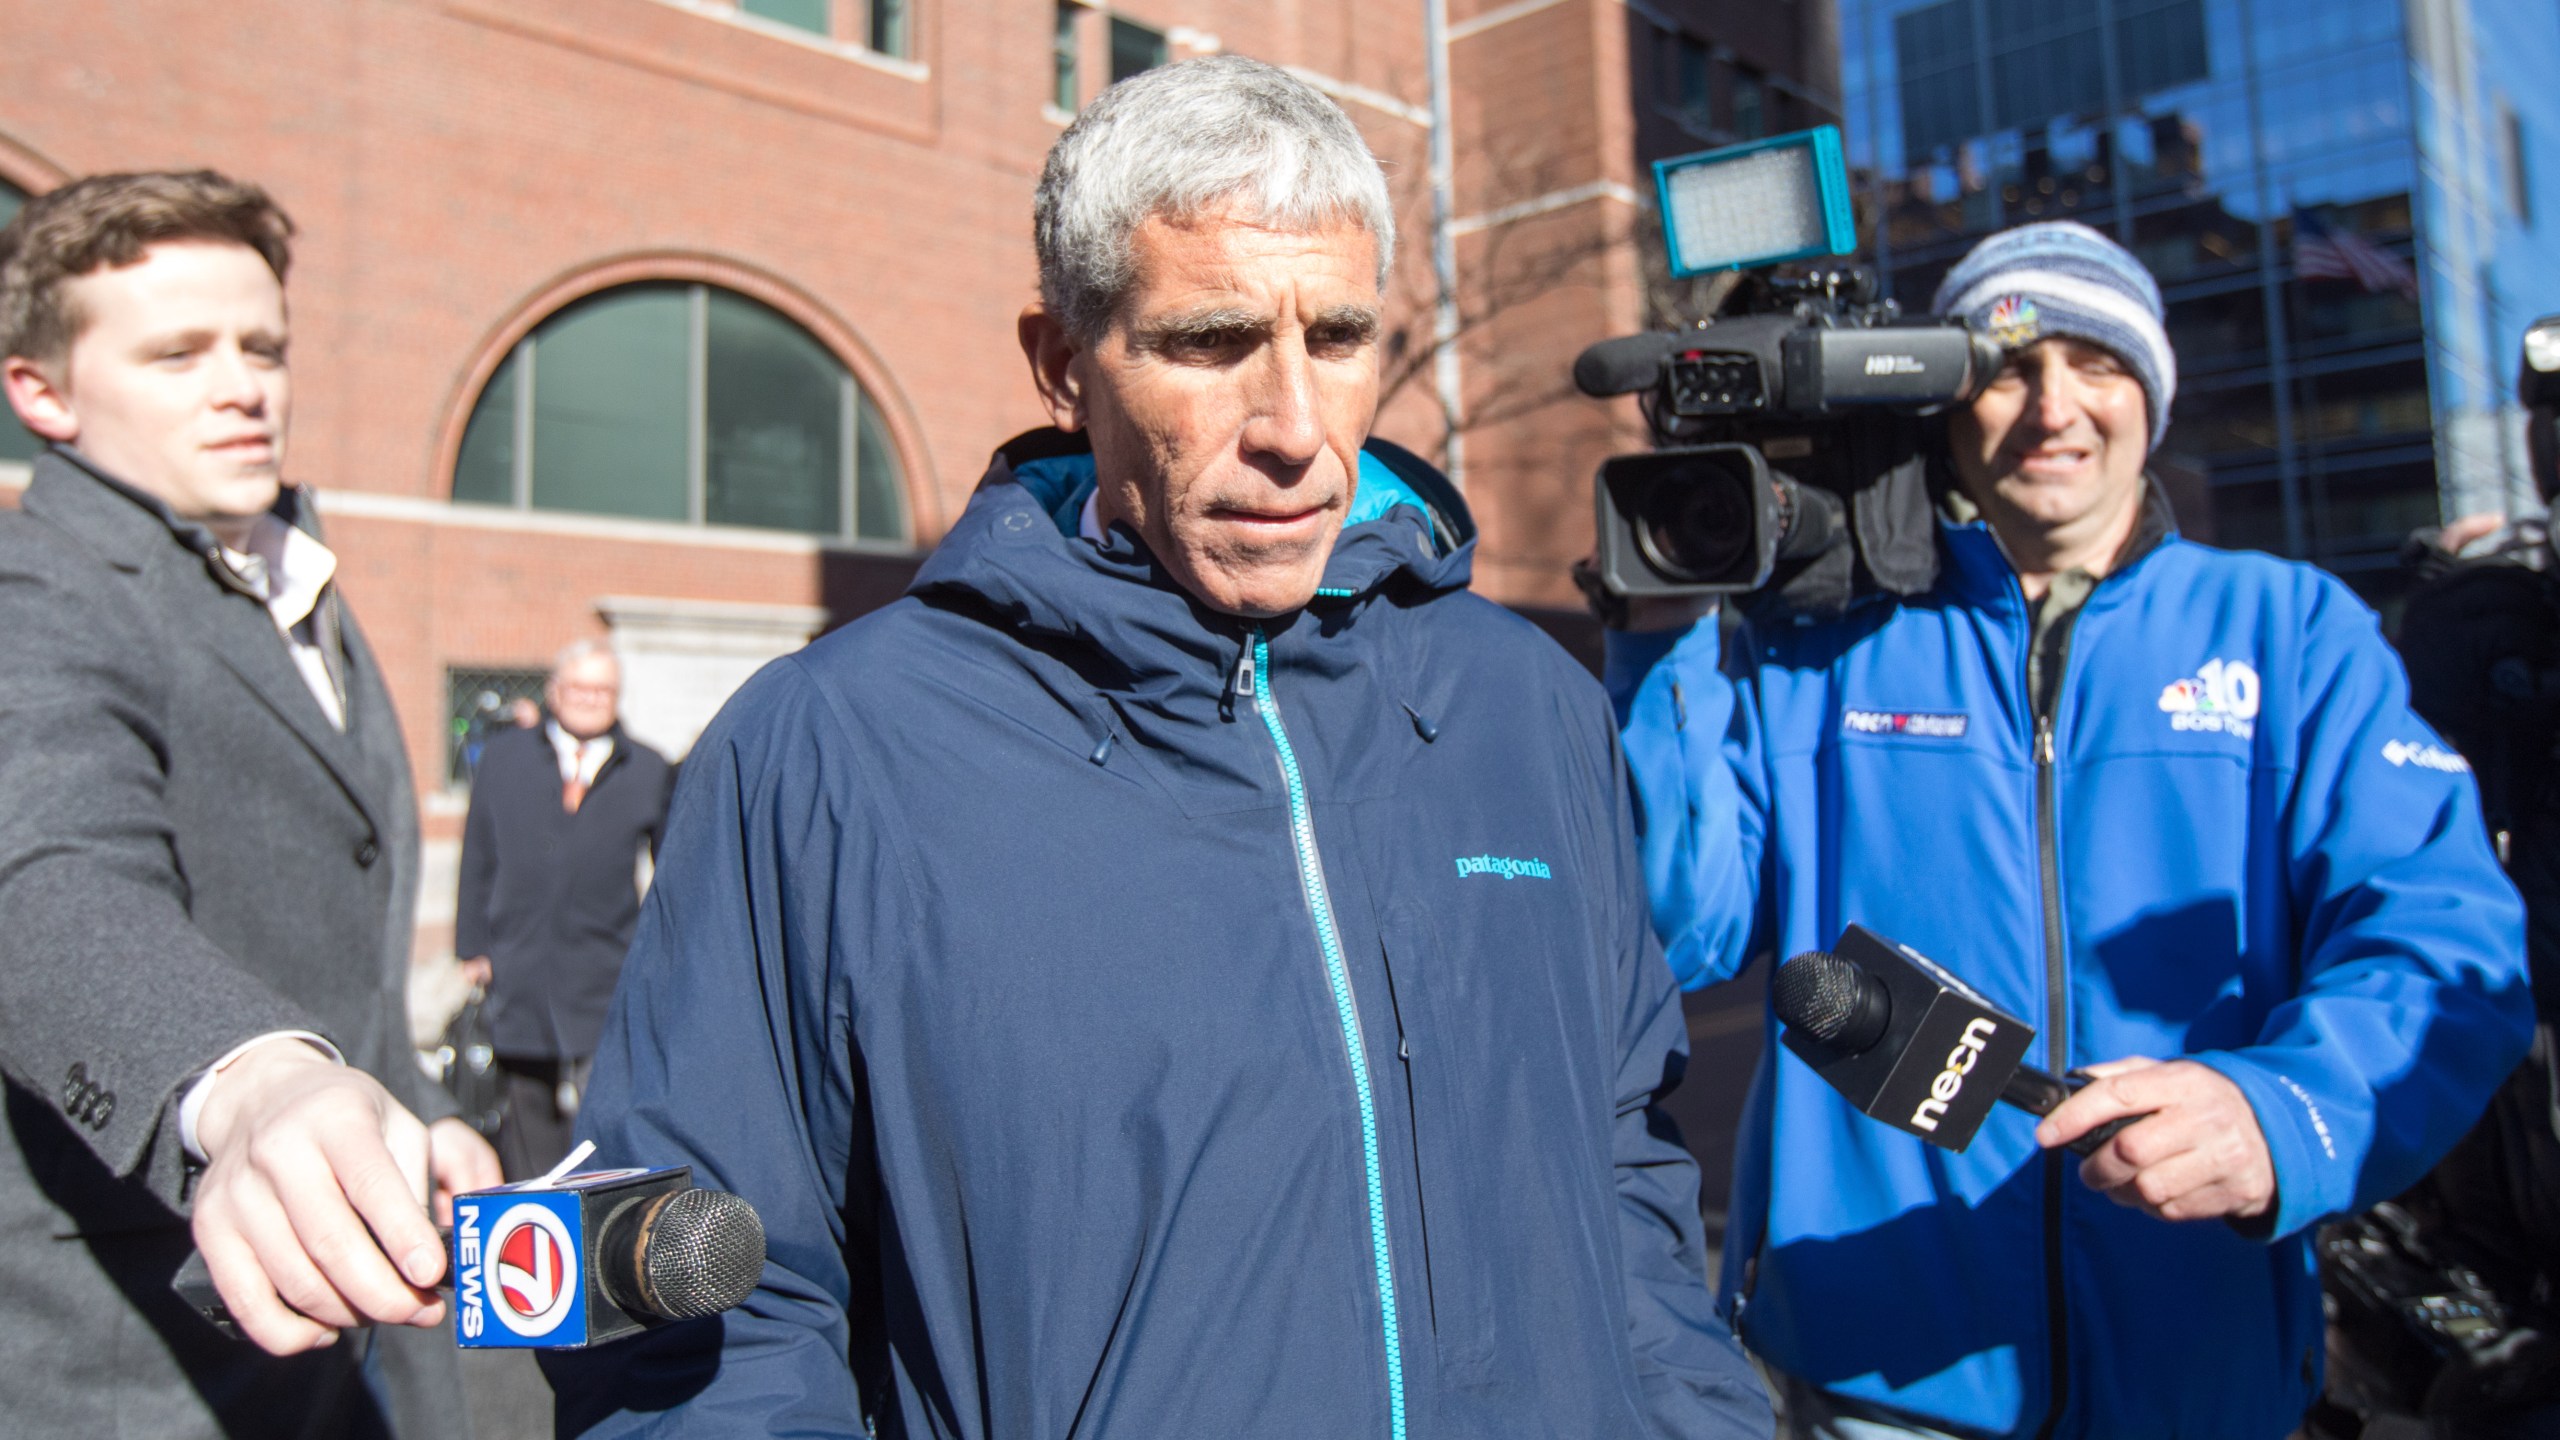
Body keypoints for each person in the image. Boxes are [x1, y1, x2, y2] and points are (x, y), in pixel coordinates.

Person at [546, 56, 1770, 1439]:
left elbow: (1624, 1165)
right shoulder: (828, 750)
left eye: (1344, 336)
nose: (1297, 431)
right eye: (1211, 341)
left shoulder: (1528, 705)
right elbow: (705, 1324)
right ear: (1065, 365)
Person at [1600, 220, 2534, 1439]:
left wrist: (2286, 1112)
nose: (2053, 408)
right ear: (1945, 406)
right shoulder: (1820, 642)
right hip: (1868, 1379)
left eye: (2096, 363)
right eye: (2005, 368)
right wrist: (1668, 624)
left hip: (2206, 1377)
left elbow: (2448, 944)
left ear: (2151, 395)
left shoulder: (2289, 631)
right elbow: (1677, 930)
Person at [0, 171, 500, 1436]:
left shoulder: (287, 570)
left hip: (350, 1333)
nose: (243, 385)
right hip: (130, 1360)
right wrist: (250, 1088)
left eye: (262, 346)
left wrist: (411, 1109)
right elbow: (47, 875)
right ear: (40, 393)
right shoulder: (35, 593)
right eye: (178, 354)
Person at [454, 639, 672, 1180]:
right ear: (554, 691)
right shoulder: (505, 758)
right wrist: (472, 944)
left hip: (604, 961)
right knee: (525, 1099)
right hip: (521, 956)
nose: (590, 699)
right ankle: (537, 1199)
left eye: (603, 689)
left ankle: (599, 1198)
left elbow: (669, 871)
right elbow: (477, 852)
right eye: (580, 687)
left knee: (608, 1092)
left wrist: (659, 956)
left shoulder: (647, 769)